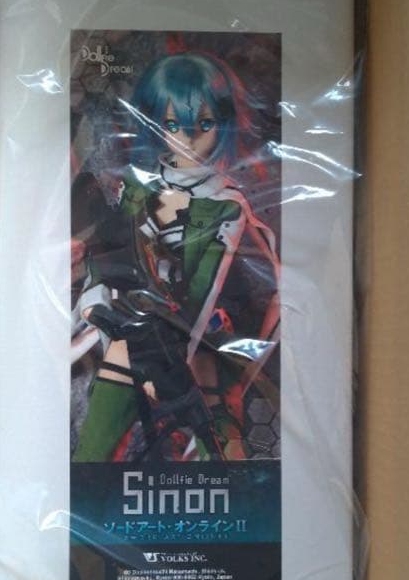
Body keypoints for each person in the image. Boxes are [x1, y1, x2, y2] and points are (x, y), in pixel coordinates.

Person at [71, 50, 279, 462]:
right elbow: (110, 255)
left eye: (204, 125)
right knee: (94, 450)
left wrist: (167, 365)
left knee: (216, 429)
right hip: (132, 324)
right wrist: (96, 301)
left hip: (198, 336)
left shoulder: (226, 205)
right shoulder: (137, 187)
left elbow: (204, 292)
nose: (187, 139)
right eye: (171, 125)